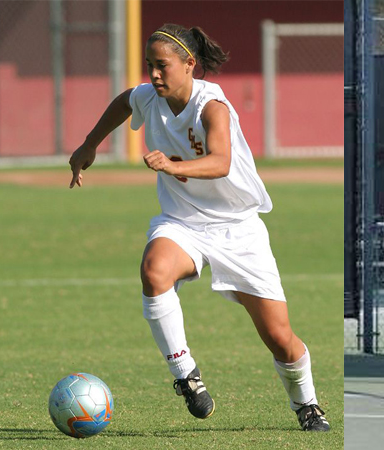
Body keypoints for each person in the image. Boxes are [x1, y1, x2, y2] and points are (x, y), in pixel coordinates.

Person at [68, 24, 329, 432]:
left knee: (280, 338)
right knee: (154, 271)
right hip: (183, 221)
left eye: (163, 66)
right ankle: (186, 375)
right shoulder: (148, 98)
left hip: (238, 228)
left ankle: (307, 404)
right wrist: (89, 144)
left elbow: (221, 161)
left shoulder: (212, 105)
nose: (154, 75)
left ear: (189, 64)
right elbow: (123, 102)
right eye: (149, 66)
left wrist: (173, 166)